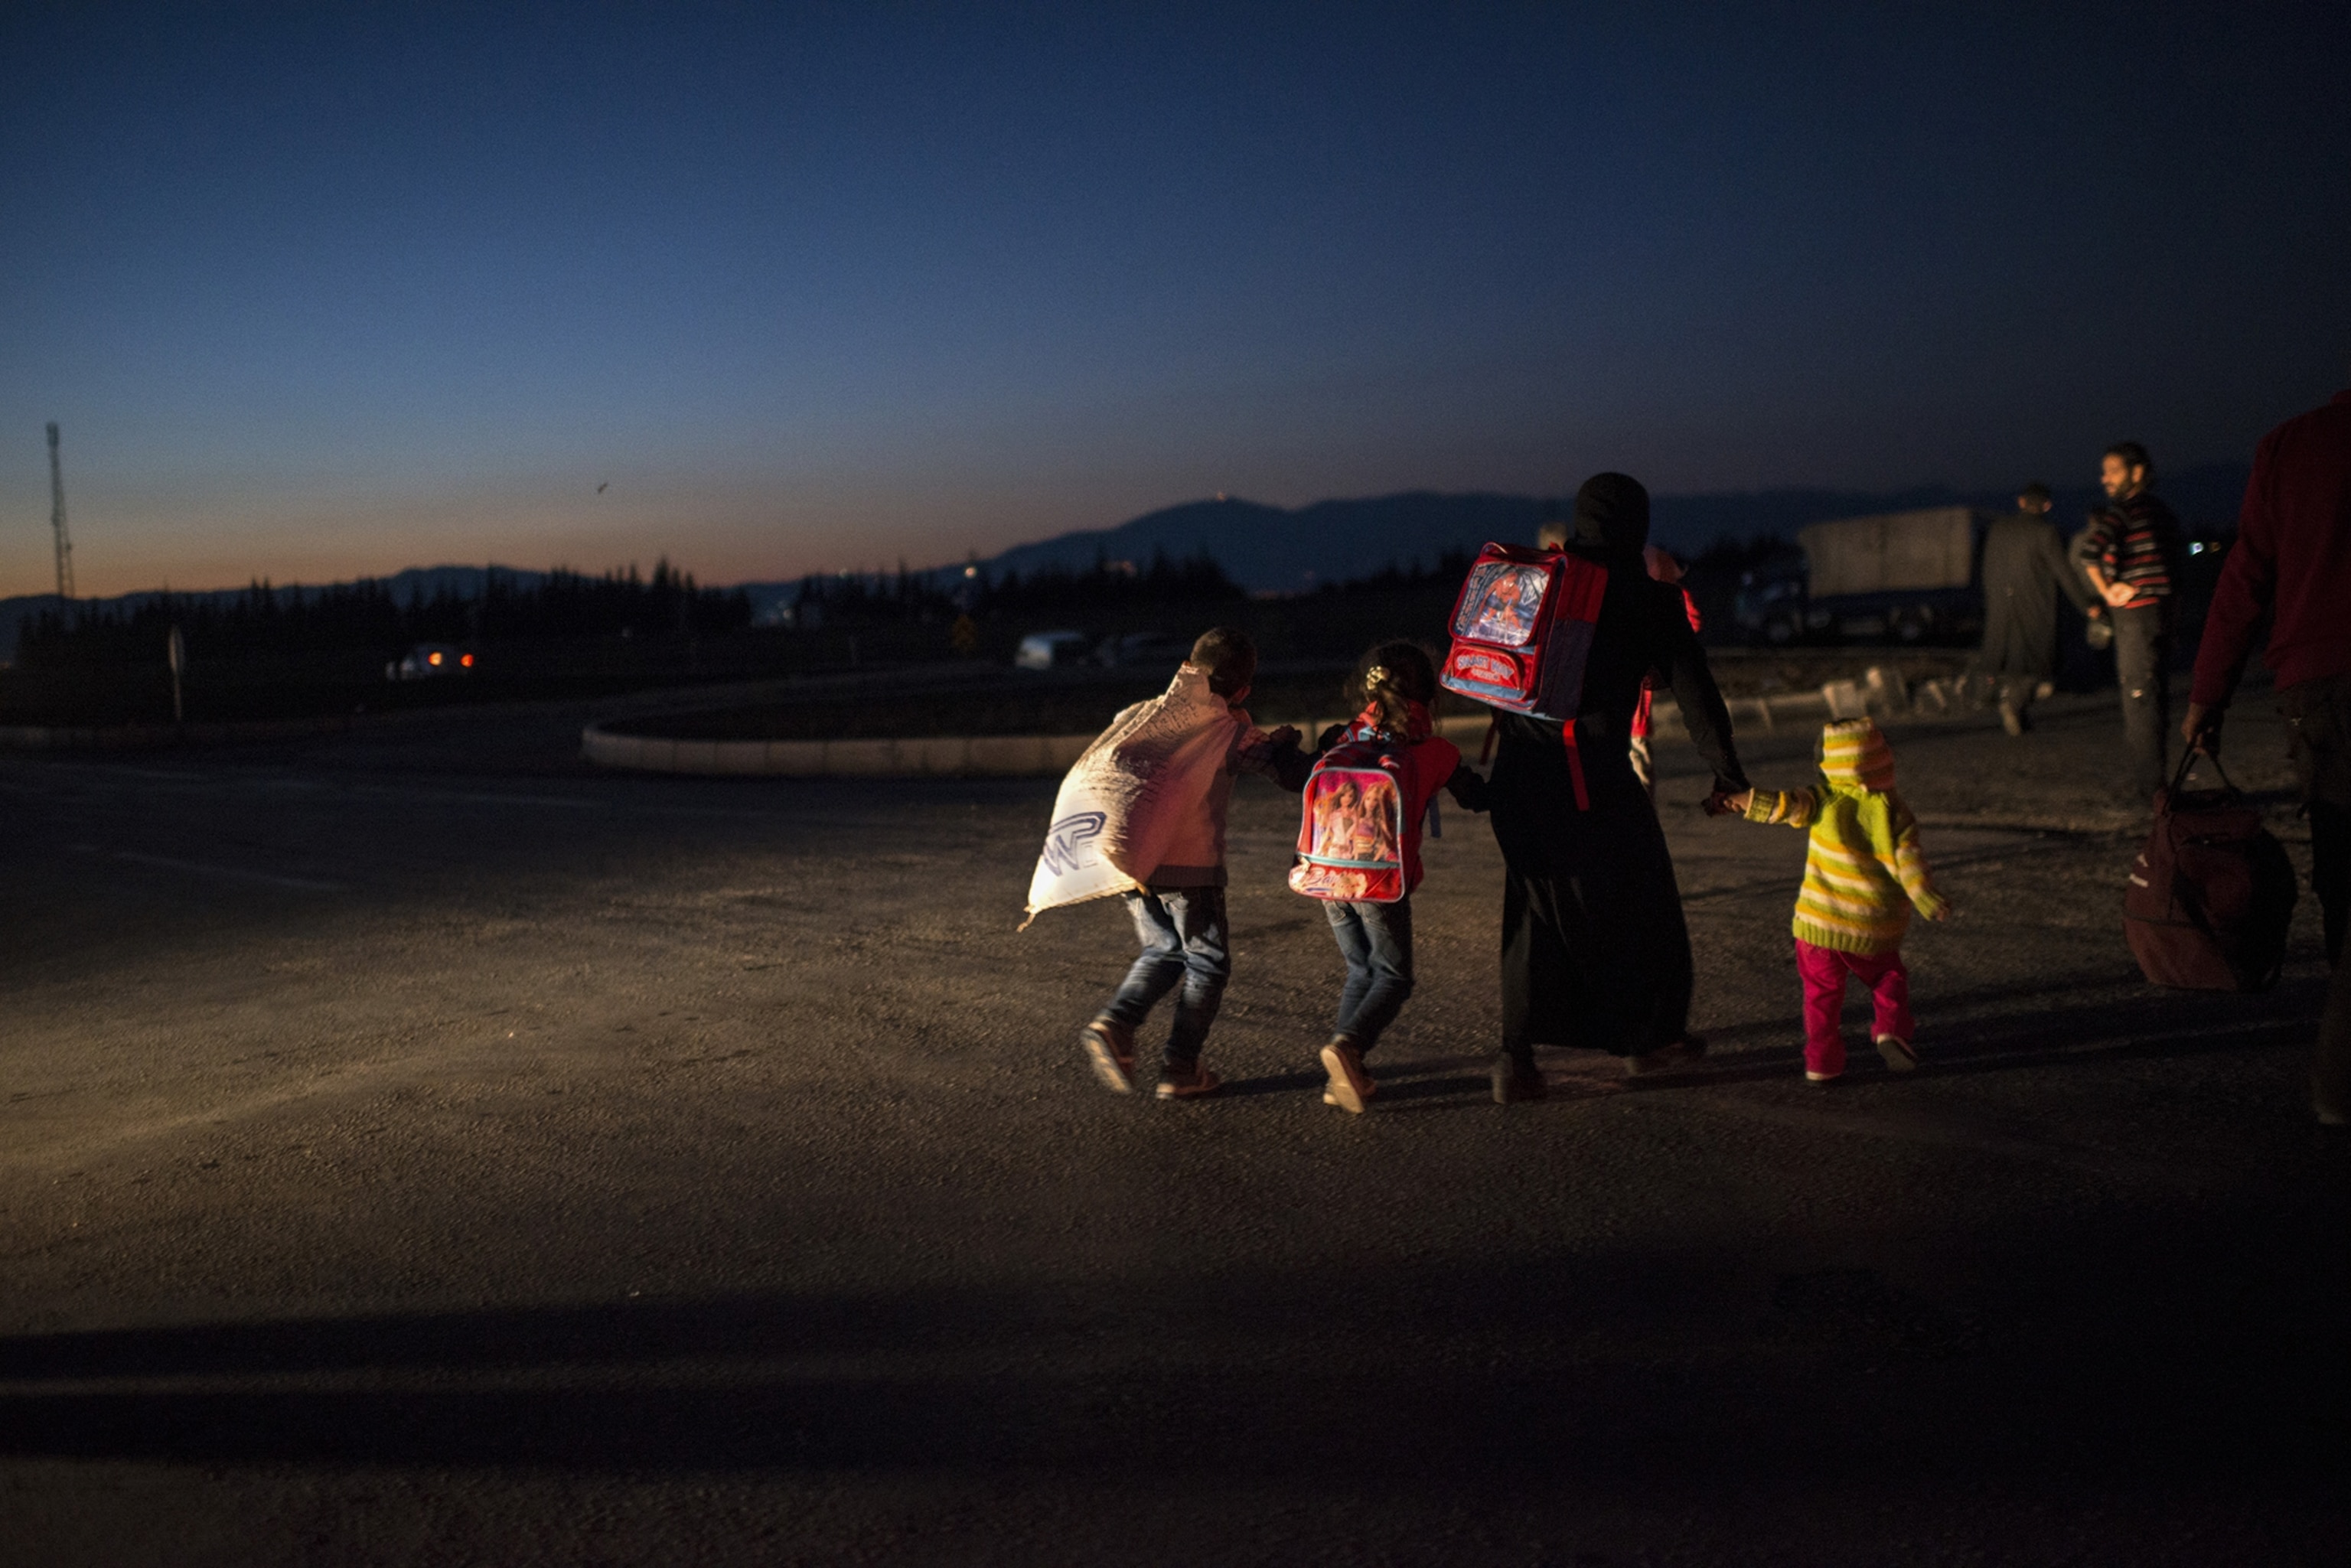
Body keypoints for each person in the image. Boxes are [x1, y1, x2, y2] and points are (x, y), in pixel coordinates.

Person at [1481, 474, 1750, 1102]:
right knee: (1644, 901)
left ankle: (1514, 1060)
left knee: (1531, 913)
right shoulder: (1645, 598)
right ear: (1637, 526)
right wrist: (1728, 773)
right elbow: (1699, 697)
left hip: (1515, 779)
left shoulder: (1536, 581)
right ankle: (1647, 1039)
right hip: (1589, 780)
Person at [2183, 383, 2351, 1126]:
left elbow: (2247, 575)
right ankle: (2341, 1074)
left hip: (2314, 684)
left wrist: (2207, 694)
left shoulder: (2290, 445)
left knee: (2341, 864)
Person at [1077, 627, 1299, 1101]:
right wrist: (1289, 748)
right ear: (1243, 691)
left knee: (1162, 951)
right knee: (1207, 963)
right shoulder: (1228, 731)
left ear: (1188, 668)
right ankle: (1179, 1067)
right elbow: (1288, 774)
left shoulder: (1137, 714)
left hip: (1134, 861)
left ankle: (1116, 1024)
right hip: (1190, 871)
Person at [1280, 642, 1491, 1115]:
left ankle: (1343, 1074)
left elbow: (1299, 776)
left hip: (1325, 874)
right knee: (1394, 977)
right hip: (1379, 883)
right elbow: (1479, 798)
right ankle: (1349, 1049)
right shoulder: (1435, 750)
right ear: (1430, 695)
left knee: (1361, 970)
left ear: (1369, 690)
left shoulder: (1343, 736)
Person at [1712, 719, 1952, 1081]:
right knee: (1888, 977)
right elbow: (1910, 862)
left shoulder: (1823, 798)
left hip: (1819, 924)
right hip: (1873, 927)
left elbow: (1786, 806)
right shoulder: (1895, 811)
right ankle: (1891, 1030)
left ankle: (1822, 1061)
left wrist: (1746, 801)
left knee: (1821, 996)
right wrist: (1927, 898)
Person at [2076, 442, 2186, 796]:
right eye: (2104, 472)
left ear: (2137, 472)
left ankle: (2151, 787)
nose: (2104, 479)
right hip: (2159, 614)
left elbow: (2089, 553)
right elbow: (2176, 570)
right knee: (2154, 695)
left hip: (2137, 616)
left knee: (2141, 698)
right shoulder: (2163, 513)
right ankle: (2156, 782)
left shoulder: (2123, 512)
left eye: (2113, 471)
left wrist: (2108, 592)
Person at [1976, 481, 2104, 735]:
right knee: (2037, 663)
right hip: (2035, 605)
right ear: (2046, 506)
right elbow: (2064, 573)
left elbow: (1988, 567)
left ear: (2021, 502)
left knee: (2010, 658)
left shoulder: (1998, 529)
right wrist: (2087, 605)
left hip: (2001, 604)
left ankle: (2011, 705)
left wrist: (1993, 597)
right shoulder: (2046, 532)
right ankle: (2014, 703)